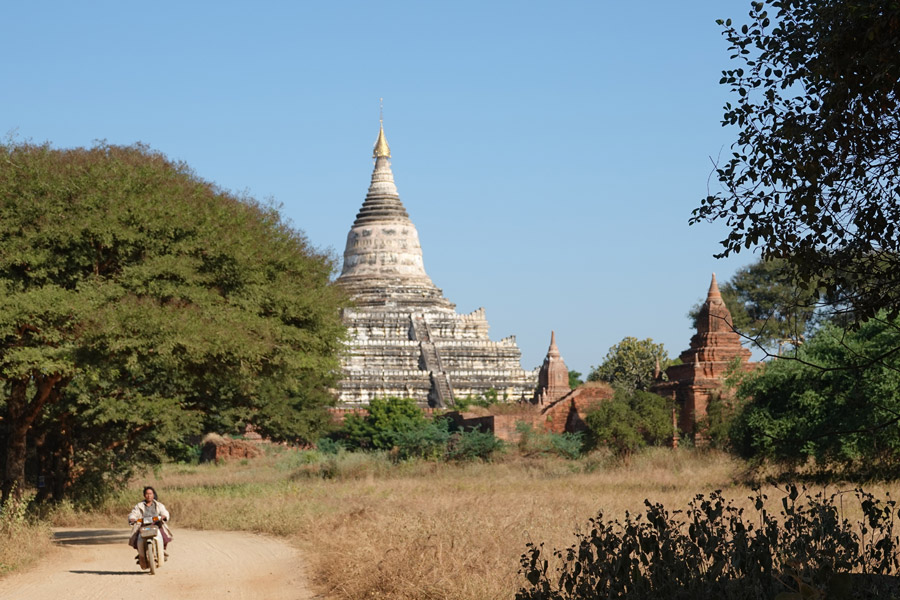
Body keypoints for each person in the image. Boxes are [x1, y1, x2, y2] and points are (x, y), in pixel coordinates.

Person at [128, 486, 173, 557]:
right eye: (147, 494)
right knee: (136, 538)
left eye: (150, 494)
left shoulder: (159, 505)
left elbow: (164, 512)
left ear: (153, 495)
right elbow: (133, 513)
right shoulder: (139, 506)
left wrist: (164, 516)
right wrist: (132, 518)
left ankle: (162, 551)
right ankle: (140, 553)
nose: (149, 496)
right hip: (143, 525)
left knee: (164, 536)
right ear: (144, 495)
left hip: (156, 524)